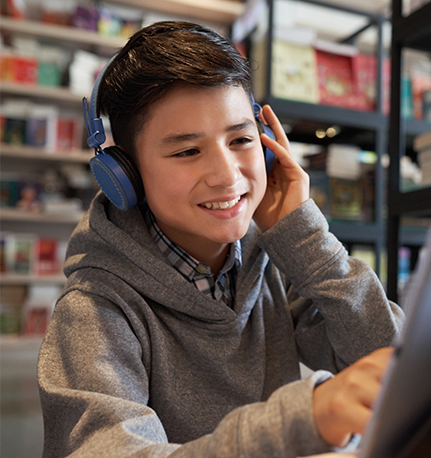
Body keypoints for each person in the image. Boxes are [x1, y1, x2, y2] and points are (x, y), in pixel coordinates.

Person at [37, 21, 404, 458]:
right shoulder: (95, 311)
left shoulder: (275, 258)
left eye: (242, 139)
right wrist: (299, 422)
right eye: (187, 151)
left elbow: (396, 371)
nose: (228, 176)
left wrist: (307, 238)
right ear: (126, 176)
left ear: (268, 146)